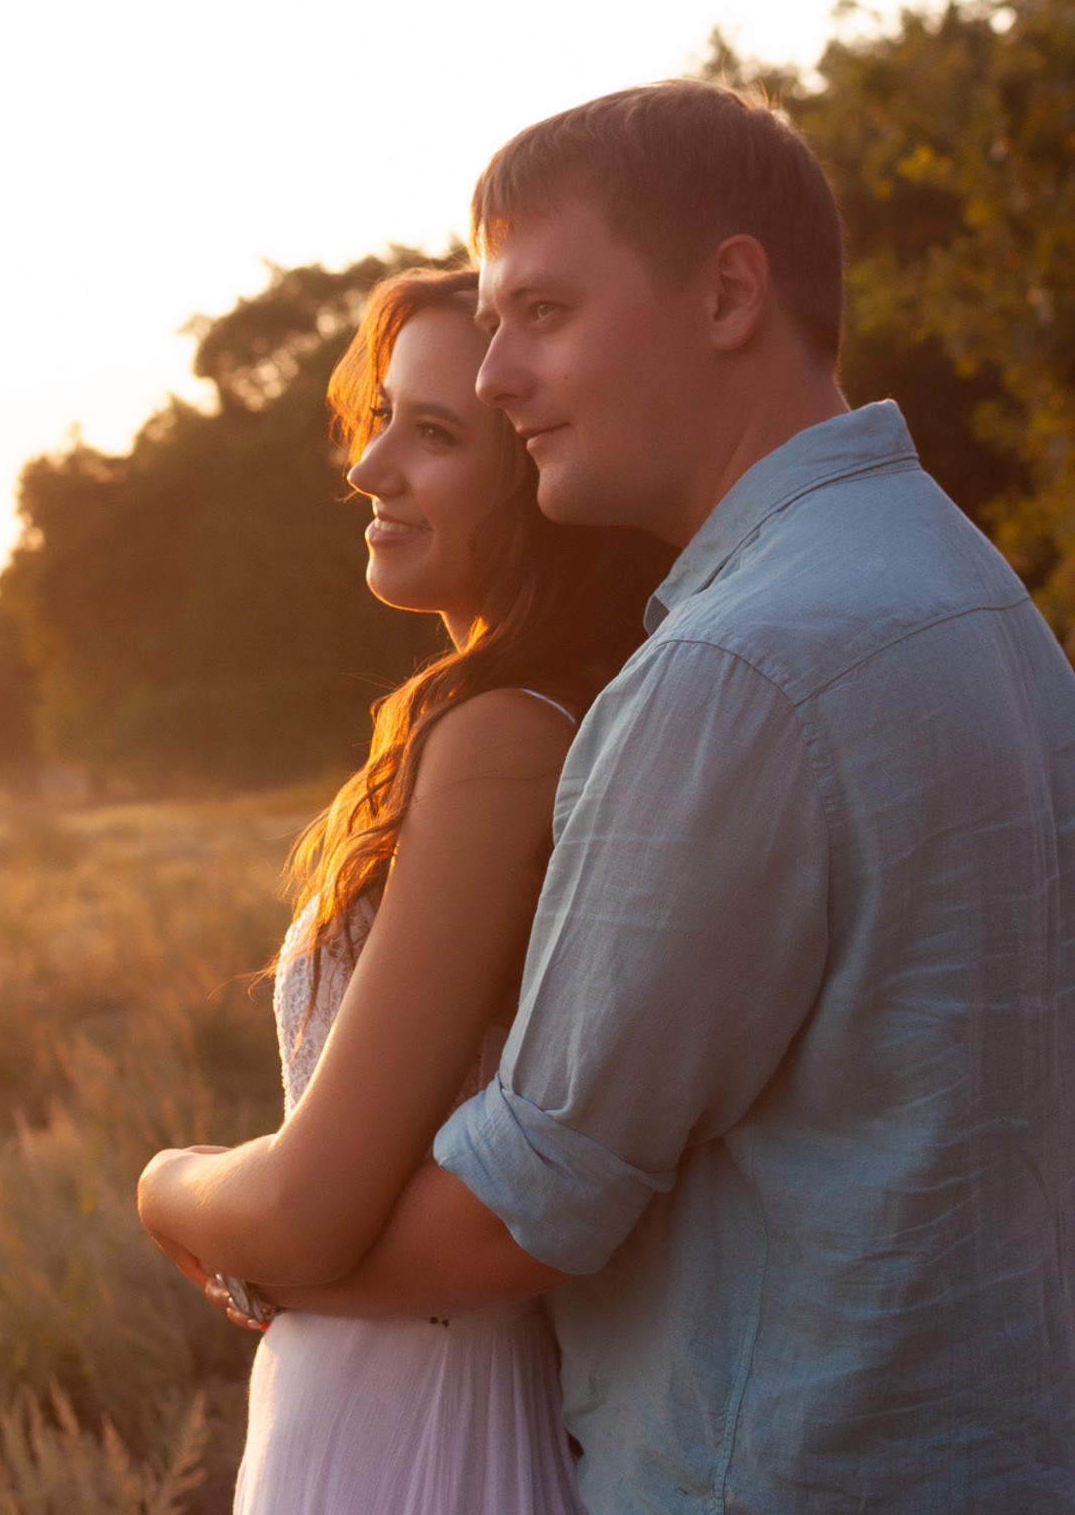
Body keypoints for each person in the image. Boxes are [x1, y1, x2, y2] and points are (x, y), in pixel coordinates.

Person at [147, 80, 1075, 1511]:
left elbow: (513, 1221)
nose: (505, 379)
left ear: (728, 294)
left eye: (546, 313)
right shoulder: (974, 598)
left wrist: (194, 1204)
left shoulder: (739, 667)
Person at [139, 263, 668, 1510]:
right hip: (392, 1381)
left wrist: (166, 1186)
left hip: (421, 1415)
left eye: (432, 435)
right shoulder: (520, 717)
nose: (371, 468)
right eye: (380, 415)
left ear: (538, 471)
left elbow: (317, 1209)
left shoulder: (507, 737)